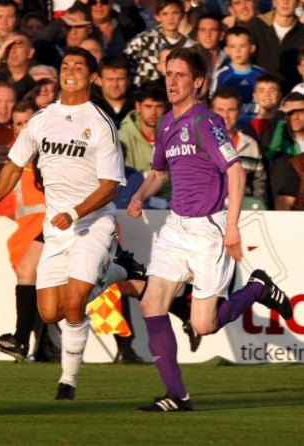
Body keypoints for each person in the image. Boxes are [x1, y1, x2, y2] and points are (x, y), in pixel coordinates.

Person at [126, 47, 293, 412]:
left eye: (180, 75)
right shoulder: (166, 124)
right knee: (152, 303)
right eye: (168, 73)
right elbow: (159, 172)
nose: (171, 81)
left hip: (208, 230)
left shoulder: (207, 122)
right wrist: (139, 195)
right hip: (175, 228)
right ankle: (177, 395)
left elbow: (235, 171)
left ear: (198, 83)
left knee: (204, 325)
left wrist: (231, 228)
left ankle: (258, 287)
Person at [0, 47, 127, 401]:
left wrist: (74, 213)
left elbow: (109, 187)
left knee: (74, 303)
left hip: (93, 223)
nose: (70, 71)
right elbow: (12, 168)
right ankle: (117, 272)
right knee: (49, 311)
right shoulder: (41, 120)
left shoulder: (101, 124)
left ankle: (67, 382)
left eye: (79, 67)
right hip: (57, 230)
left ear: (91, 77)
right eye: (65, 65)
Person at [0, 100, 45, 362]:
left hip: (78, 222)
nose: (23, 128)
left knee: (123, 281)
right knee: (31, 274)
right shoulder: (19, 160)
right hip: (56, 228)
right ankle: (23, 342)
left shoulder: (48, 152)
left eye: (28, 122)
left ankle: (180, 307)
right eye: (18, 123)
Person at [210, 87, 269, 208]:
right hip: (207, 210)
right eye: (220, 110)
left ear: (239, 111)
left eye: (231, 110)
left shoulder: (250, 144)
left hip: (244, 210)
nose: (225, 115)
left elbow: (259, 183)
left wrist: (257, 205)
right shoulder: (198, 144)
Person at [124, 0, 195, 87]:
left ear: (182, 15)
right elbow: (125, 66)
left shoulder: (190, 46)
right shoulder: (143, 40)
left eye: (175, 13)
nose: (170, 18)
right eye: (165, 14)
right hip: (144, 95)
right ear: (157, 17)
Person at [210, 26, 265, 128]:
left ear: (252, 48)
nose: (238, 51)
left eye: (242, 46)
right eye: (233, 46)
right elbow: (214, 104)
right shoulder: (221, 76)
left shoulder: (261, 74)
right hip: (231, 127)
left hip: (257, 127)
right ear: (226, 50)